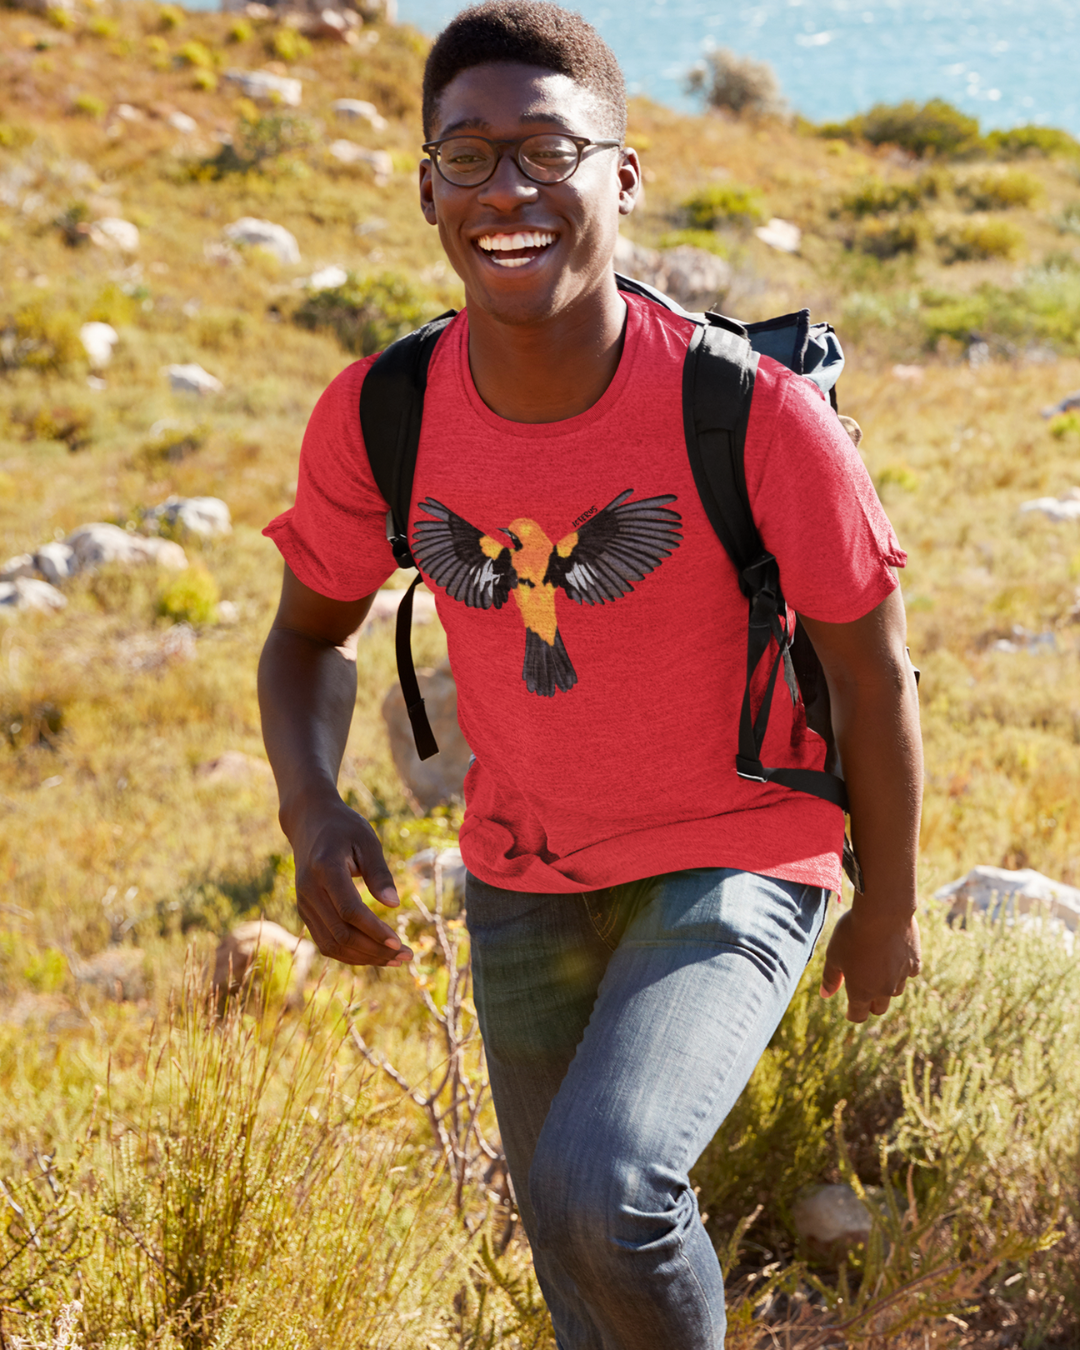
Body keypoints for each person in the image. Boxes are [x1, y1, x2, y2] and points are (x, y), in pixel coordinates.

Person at [257, 4, 923, 1346]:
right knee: (567, 1246)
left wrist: (887, 908)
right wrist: (311, 806)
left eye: (548, 151)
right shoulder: (382, 414)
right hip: (523, 868)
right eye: (469, 156)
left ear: (621, 176)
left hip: (740, 844)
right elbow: (306, 640)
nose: (509, 189)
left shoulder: (750, 411)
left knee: (603, 1187)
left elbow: (873, 671)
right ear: (427, 188)